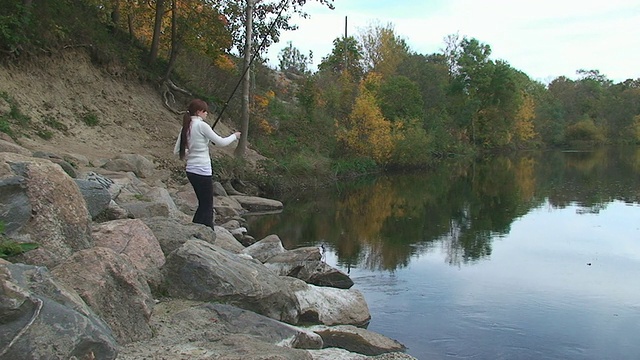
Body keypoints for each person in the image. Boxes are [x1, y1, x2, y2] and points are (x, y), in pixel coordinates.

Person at [174, 99, 240, 229]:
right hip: (202, 170)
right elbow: (221, 142)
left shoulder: (186, 126)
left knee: (203, 203)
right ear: (199, 112)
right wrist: (234, 136)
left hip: (191, 170)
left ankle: (195, 228)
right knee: (207, 204)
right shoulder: (202, 125)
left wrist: (193, 150)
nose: (206, 114)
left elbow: (177, 151)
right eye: (205, 111)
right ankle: (207, 231)